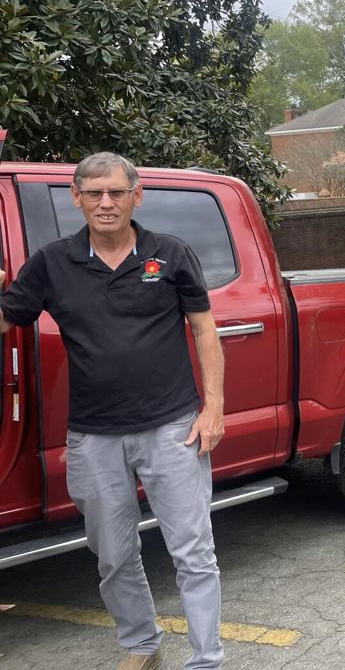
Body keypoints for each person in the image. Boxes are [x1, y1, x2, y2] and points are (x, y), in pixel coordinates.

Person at [0, 152, 225, 670]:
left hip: (173, 428)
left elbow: (204, 329)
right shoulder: (52, 263)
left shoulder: (170, 253)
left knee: (193, 553)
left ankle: (206, 660)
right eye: (94, 193)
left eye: (117, 192)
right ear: (76, 198)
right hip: (94, 435)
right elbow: (8, 318)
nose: (106, 203)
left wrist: (212, 408)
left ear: (135, 196)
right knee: (114, 556)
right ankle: (142, 646)